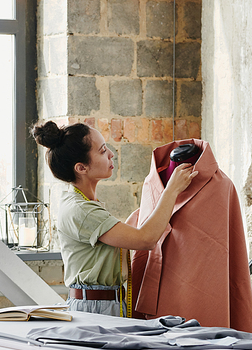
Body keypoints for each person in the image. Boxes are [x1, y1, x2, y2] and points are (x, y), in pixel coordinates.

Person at [32, 121, 198, 317]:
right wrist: (172, 189)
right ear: (81, 168)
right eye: (102, 151)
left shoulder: (80, 201)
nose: (111, 153)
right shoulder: (81, 209)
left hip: (103, 303)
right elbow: (146, 240)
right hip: (96, 308)